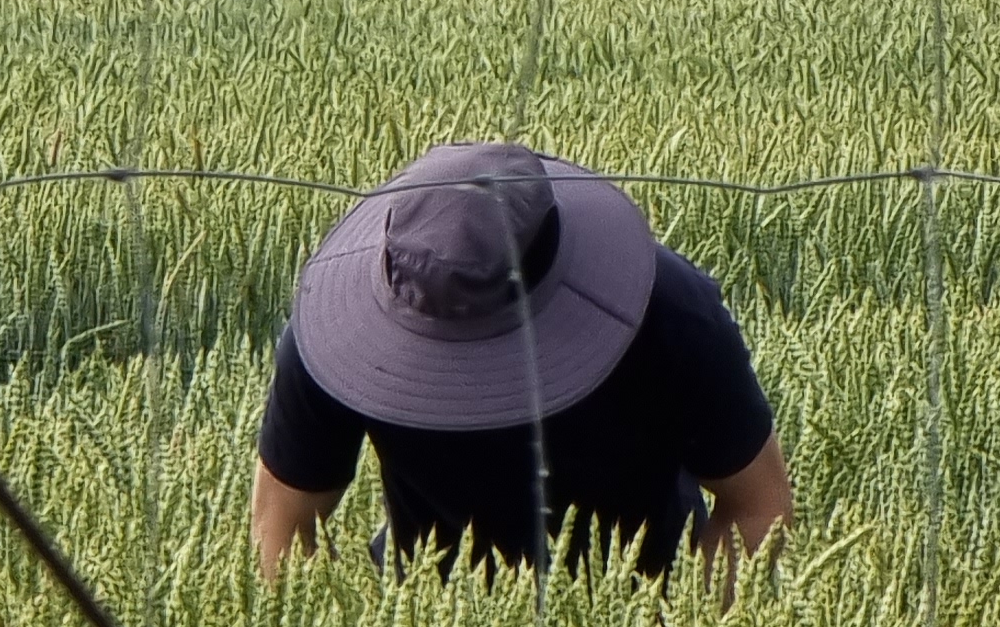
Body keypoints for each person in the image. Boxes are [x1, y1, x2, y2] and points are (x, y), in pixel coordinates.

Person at [251, 140, 791, 581]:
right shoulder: (335, 334)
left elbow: (757, 505)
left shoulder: (670, 310)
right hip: (430, 624)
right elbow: (281, 528)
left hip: (648, 596)